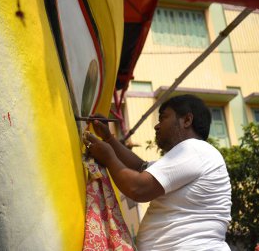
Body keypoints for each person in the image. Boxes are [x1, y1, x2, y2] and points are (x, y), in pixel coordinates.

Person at [83, 94, 232, 251]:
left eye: (163, 118)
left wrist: (108, 157)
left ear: (187, 120)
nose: (157, 126)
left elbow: (138, 188)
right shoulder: (194, 154)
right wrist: (108, 138)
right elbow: (140, 167)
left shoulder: (195, 150)